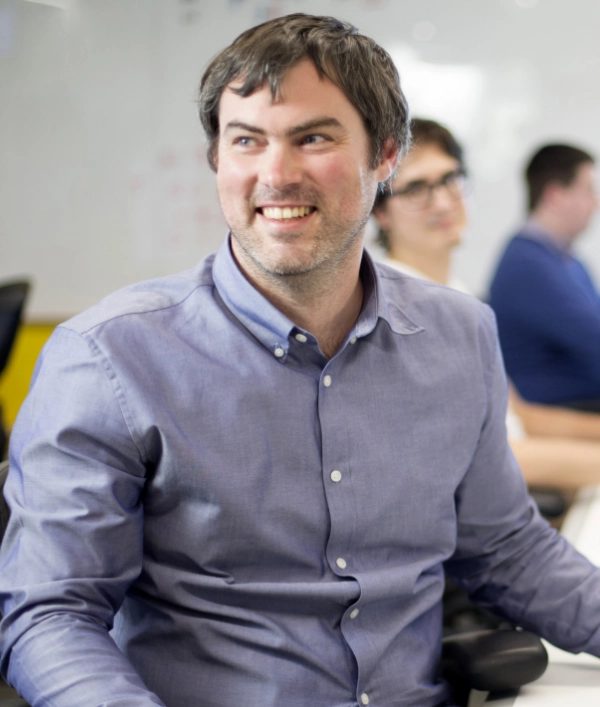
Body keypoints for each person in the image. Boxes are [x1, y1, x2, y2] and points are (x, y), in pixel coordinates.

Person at [2, 14, 600, 707]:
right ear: (217, 160)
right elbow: (52, 614)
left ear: (385, 155)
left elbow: (509, 551)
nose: (276, 174)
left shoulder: (459, 335)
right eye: (246, 141)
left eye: (312, 138)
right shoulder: (108, 360)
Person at [372, 118, 600, 490]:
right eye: (416, 189)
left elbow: (520, 416)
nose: (444, 201)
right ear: (380, 212)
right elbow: (473, 459)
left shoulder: (456, 294)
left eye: (450, 179)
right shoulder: (395, 310)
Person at [488, 143, 600, 410]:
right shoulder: (527, 264)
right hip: (559, 410)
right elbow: (593, 340)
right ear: (555, 195)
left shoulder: (565, 259)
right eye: (588, 191)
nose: (595, 203)